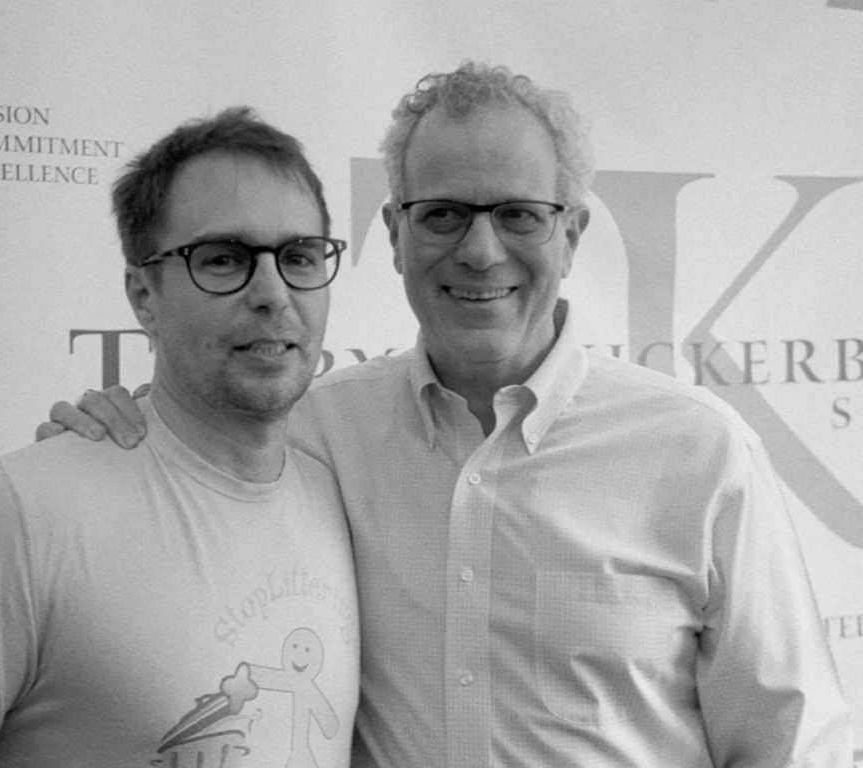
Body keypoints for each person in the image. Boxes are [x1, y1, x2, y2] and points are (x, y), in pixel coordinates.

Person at [44, 62, 851, 767]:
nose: (480, 250)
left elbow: (793, 744)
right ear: (394, 235)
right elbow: (188, 450)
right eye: (443, 214)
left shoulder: (699, 453)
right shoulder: (310, 432)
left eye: (519, 215)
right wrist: (101, 445)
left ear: (572, 235)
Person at [0, 108, 360, 768]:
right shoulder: (18, 516)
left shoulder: (342, 497)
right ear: (144, 295)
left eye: (299, 256)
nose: (272, 292)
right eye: (223, 259)